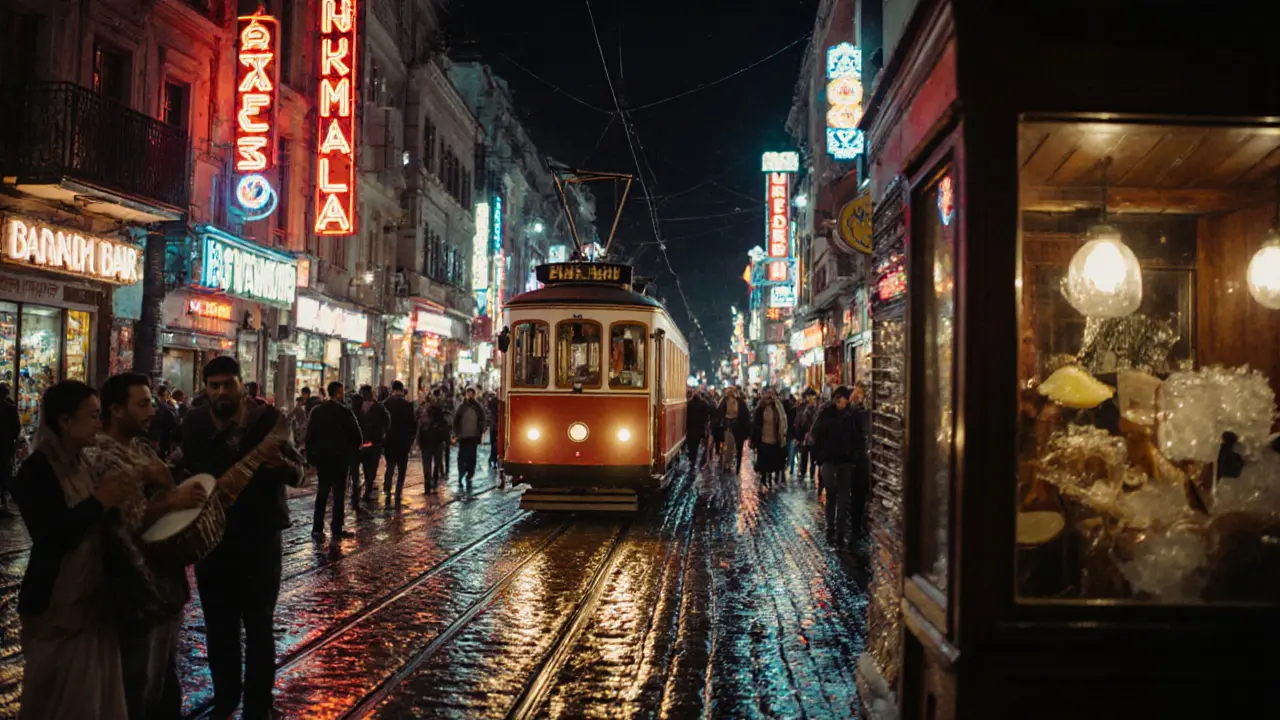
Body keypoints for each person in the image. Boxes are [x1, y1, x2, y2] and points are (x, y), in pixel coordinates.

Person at [171, 357, 305, 718]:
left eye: (227, 384)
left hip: (260, 537)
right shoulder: (195, 422)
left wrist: (284, 468)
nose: (220, 392)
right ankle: (226, 699)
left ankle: (258, 706)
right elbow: (179, 464)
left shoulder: (268, 422)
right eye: (213, 386)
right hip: (212, 540)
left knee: (259, 624)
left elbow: (300, 471)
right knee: (219, 626)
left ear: (242, 386)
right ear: (205, 389)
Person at [89, 373, 207, 719]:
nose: (152, 410)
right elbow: (121, 523)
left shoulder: (141, 448)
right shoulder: (99, 456)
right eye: (142, 404)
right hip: (131, 592)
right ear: (115, 410)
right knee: (133, 690)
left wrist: (169, 489)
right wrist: (171, 501)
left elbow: (165, 487)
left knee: (162, 684)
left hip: (163, 588)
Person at [12, 380, 130, 718]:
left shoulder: (88, 463)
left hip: (95, 604)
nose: (98, 423)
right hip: (56, 605)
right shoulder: (36, 471)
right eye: (92, 416)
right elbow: (51, 535)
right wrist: (99, 502)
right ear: (65, 422)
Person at [810, 385, 870, 548]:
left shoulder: (852, 415)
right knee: (831, 493)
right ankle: (830, 527)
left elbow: (858, 437)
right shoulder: (825, 413)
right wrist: (819, 456)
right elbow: (815, 434)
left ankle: (840, 531)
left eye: (843, 399)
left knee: (844, 498)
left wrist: (855, 456)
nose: (841, 402)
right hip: (829, 460)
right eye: (839, 398)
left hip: (845, 462)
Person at [307, 382, 361, 540]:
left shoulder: (317, 411)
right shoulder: (344, 412)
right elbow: (357, 437)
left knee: (322, 492)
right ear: (339, 392)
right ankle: (336, 528)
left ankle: (317, 528)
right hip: (340, 459)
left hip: (323, 459)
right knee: (338, 495)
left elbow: (310, 436)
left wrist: (312, 457)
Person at [352, 385, 390, 505]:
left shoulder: (378, 407)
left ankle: (367, 489)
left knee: (371, 466)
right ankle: (365, 489)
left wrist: (382, 433)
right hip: (364, 441)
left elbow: (387, 422)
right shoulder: (358, 407)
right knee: (367, 466)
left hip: (373, 441)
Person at [382, 381, 417, 502]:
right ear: (402, 390)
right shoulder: (408, 405)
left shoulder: (385, 404)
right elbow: (413, 425)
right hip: (403, 442)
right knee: (402, 468)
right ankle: (398, 490)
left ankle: (387, 489)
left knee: (390, 466)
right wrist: (411, 440)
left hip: (389, 441)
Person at [751, 387, 789, 490]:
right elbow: (755, 423)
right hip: (763, 439)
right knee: (763, 462)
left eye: (772, 393)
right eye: (768, 393)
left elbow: (783, 420)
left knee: (773, 462)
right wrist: (755, 439)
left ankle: (771, 480)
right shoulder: (760, 408)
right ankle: (764, 480)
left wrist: (783, 433)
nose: (770, 396)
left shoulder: (778, 407)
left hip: (775, 439)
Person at [452, 387, 487, 486]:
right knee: (462, 456)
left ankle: (469, 474)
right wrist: (457, 433)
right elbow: (456, 421)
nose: (469, 395)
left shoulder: (477, 407)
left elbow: (482, 420)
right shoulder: (462, 407)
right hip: (463, 437)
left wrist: (481, 432)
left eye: (471, 393)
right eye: (468, 393)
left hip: (473, 437)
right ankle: (462, 473)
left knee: (471, 457)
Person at [418, 392, 449, 492]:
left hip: (426, 441)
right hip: (437, 442)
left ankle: (427, 483)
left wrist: (419, 442)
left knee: (427, 464)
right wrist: (446, 440)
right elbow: (444, 427)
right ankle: (434, 480)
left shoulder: (423, 411)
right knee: (437, 462)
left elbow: (419, 426)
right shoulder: (440, 411)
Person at [718, 387, 750, 476]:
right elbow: (720, 412)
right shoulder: (724, 401)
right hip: (728, 426)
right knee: (729, 446)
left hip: (738, 428)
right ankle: (727, 464)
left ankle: (736, 465)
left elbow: (745, 415)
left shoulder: (739, 402)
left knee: (737, 448)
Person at [0, 383, 20, 509]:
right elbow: (16, 429)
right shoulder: (10, 408)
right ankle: (4, 501)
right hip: (5, 445)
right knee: (5, 472)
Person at [794, 388, 820, 482]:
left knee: (812, 455)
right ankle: (804, 471)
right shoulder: (802, 408)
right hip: (805, 436)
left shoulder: (817, 408)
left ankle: (811, 472)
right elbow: (800, 422)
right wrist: (799, 436)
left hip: (812, 435)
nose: (810, 399)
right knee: (804, 455)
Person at [150, 385, 179, 460]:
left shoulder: (167, 406)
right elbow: (156, 423)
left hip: (166, 436)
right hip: (161, 436)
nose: (169, 396)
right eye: (167, 394)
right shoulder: (157, 406)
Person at [685, 389, 709, 469]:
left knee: (691, 444)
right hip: (699, 428)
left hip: (691, 428)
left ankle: (691, 458)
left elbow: (686, 417)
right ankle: (693, 460)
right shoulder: (704, 404)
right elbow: (706, 418)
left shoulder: (689, 404)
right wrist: (706, 429)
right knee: (696, 444)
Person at [485, 391, 500, 470]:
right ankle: (493, 460)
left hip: (494, 427)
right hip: (495, 427)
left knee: (493, 445)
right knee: (494, 445)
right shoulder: (496, 402)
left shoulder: (492, 403)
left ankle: (492, 459)